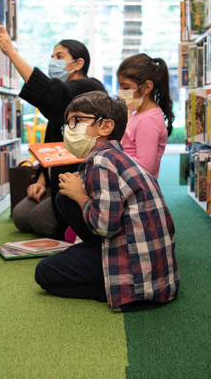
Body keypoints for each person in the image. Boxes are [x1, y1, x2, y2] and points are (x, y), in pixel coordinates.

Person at [34, 91, 179, 311]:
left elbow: (107, 226)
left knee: (44, 273)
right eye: (68, 125)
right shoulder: (116, 156)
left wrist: (81, 196)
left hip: (135, 271)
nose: (70, 130)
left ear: (105, 127)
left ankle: (114, 289)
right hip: (156, 271)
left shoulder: (101, 162)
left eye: (77, 122)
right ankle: (103, 268)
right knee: (64, 198)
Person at [0, 26, 106, 239]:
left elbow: (55, 95)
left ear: (79, 63)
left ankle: (71, 224)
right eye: (52, 56)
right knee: (21, 216)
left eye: (60, 56)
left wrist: (11, 53)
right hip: (55, 182)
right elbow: (50, 148)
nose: (54, 61)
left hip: (79, 183)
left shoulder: (90, 88)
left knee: (39, 220)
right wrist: (40, 182)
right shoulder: (60, 106)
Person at [116, 53, 174, 178]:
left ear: (147, 87)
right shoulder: (138, 114)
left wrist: (113, 162)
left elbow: (145, 167)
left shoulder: (148, 121)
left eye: (126, 88)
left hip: (136, 188)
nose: (121, 93)